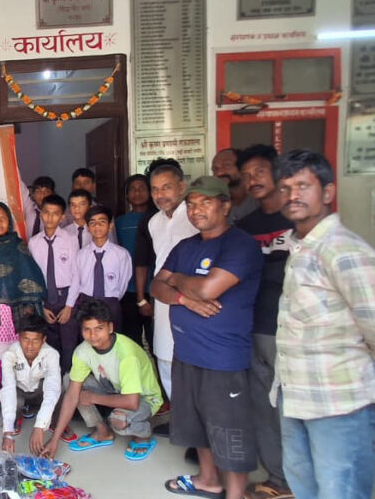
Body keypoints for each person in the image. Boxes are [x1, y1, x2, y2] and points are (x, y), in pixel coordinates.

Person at [272, 150, 375, 499]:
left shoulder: (344, 251)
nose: (293, 196)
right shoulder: (299, 246)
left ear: (328, 193)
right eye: (286, 187)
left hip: (341, 402)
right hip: (296, 395)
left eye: (303, 186)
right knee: (303, 485)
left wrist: (354, 367)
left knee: (340, 491)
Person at [151, 176, 263, 499]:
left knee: (229, 427)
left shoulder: (240, 245)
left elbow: (207, 289)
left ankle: (235, 493)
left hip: (222, 358)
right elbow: (157, 288)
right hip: (186, 351)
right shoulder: (185, 246)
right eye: (191, 203)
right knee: (196, 422)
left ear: (225, 205)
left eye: (205, 202)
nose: (196, 210)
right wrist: (185, 298)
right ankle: (208, 479)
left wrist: (180, 282)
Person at [233, 145, 294, 499]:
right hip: (254, 327)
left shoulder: (298, 219)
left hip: (293, 331)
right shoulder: (246, 228)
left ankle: (303, 477)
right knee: (264, 405)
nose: (252, 180)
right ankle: (278, 478)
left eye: (259, 171)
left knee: (294, 407)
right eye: (247, 175)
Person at [43, 299, 162, 462]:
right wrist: (54, 440)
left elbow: (132, 402)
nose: (93, 336)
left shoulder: (126, 354)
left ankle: (144, 435)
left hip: (144, 399)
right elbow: (71, 395)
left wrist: (93, 398)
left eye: (99, 329)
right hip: (115, 390)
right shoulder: (82, 351)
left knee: (118, 420)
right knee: (69, 382)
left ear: (110, 327)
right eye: (87, 330)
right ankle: (102, 432)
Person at [0, 202, 47, 421]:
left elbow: (30, 275)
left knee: (19, 356)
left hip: (17, 310)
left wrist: (30, 306)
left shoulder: (18, 246)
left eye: (3, 218)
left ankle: (25, 399)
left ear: (10, 221)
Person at [146, 159, 198, 399]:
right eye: (155, 189)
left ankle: (196, 421)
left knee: (193, 359)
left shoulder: (194, 216)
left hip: (193, 297)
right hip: (163, 296)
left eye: (166, 187)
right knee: (165, 355)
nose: (160, 194)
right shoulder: (154, 222)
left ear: (181, 187)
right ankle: (180, 418)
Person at [0, 314, 61, 456]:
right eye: (26, 339)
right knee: (15, 401)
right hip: (20, 392)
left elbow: (52, 389)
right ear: (19, 337)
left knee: (61, 388)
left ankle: (54, 422)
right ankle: (19, 415)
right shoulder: (9, 354)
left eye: (35, 340)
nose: (30, 346)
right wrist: (7, 433)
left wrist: (39, 426)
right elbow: (8, 389)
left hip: (39, 392)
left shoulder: (51, 354)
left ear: (44, 339)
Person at [27, 195, 77, 374]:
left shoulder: (70, 240)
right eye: (46, 213)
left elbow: (76, 274)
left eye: (55, 214)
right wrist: (40, 305)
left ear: (63, 217)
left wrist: (70, 306)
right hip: (45, 298)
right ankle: (52, 382)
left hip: (66, 298)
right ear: (40, 214)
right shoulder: (34, 243)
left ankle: (68, 384)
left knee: (69, 344)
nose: (50, 218)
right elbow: (32, 277)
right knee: (49, 344)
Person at [65, 205, 131, 333]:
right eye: (92, 223)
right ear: (88, 228)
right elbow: (76, 282)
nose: (97, 226)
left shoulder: (121, 254)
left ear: (110, 226)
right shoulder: (81, 254)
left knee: (112, 338)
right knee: (88, 338)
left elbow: (123, 284)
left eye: (102, 222)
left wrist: (110, 299)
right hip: (86, 302)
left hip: (110, 303)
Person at [116, 174, 155, 349]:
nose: (137, 192)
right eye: (132, 189)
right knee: (131, 342)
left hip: (155, 288)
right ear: (126, 195)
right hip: (128, 290)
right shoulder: (120, 222)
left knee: (157, 341)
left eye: (142, 188)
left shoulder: (158, 219)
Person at [212, 148, 257, 222]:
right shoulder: (214, 205)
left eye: (226, 165)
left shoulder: (259, 200)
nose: (219, 173)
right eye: (215, 169)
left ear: (242, 168)